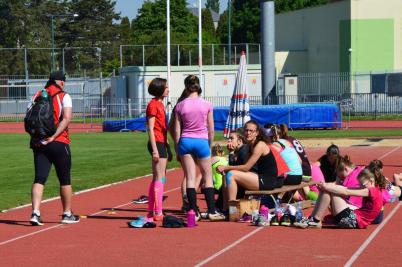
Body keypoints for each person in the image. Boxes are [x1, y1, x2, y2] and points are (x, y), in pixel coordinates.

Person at [29, 71, 79, 226]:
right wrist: (54, 136)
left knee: (39, 178)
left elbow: (29, 118)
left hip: (39, 143)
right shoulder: (64, 96)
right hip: (59, 142)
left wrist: (38, 137)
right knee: (65, 179)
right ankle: (67, 213)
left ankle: (35, 213)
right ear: (61, 82)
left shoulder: (37, 95)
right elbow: (67, 118)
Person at [174, 75, 225, 221]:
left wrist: (178, 148)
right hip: (201, 141)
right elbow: (211, 129)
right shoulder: (207, 104)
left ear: (186, 87)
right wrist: (209, 144)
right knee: (207, 177)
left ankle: (193, 212)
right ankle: (211, 211)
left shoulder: (180, 105)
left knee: (190, 178)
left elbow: (177, 130)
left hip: (185, 141)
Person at [216, 120, 287, 203]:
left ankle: (233, 209)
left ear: (257, 133)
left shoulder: (260, 145)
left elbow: (246, 167)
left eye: (251, 131)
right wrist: (231, 158)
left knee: (231, 174)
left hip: (268, 180)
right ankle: (225, 209)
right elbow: (246, 166)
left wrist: (226, 167)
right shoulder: (250, 145)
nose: (248, 133)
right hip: (260, 177)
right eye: (246, 130)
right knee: (227, 175)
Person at [295, 168, 383, 229]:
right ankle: (313, 219)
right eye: (359, 184)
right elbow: (344, 188)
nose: (360, 186)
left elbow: (346, 192)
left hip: (354, 221)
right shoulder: (371, 189)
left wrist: (326, 186)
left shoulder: (371, 191)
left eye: (362, 184)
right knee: (327, 189)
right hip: (354, 217)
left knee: (328, 190)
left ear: (371, 181)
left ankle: (315, 220)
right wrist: (326, 185)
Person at [144, 78, 172, 222]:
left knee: (159, 177)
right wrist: (155, 150)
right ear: (160, 89)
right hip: (156, 143)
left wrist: (168, 146)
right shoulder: (153, 105)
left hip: (162, 142)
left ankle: (151, 210)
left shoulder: (160, 104)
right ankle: (157, 211)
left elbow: (162, 128)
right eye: (166, 87)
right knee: (159, 177)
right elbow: (150, 128)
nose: (168, 89)